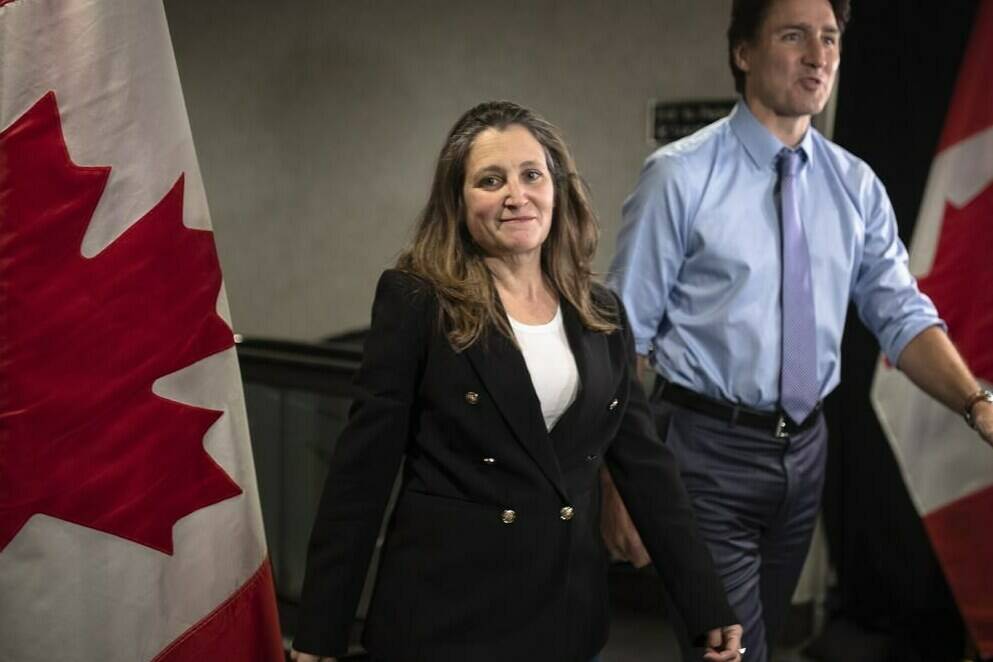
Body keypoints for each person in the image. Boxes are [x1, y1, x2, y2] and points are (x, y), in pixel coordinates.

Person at [604, 1, 993, 661]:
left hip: (804, 454)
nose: (819, 56)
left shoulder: (855, 186)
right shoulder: (679, 176)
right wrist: (617, 486)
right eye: (793, 36)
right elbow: (621, 341)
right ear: (743, 52)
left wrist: (975, 403)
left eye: (830, 38)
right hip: (701, 456)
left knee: (758, 643)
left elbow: (901, 315)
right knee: (730, 653)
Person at [289, 101, 744, 662]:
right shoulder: (417, 301)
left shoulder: (602, 314)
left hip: (567, 616)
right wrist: (319, 636)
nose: (516, 195)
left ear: (558, 188)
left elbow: (648, 471)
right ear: (457, 201)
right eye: (490, 180)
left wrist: (706, 604)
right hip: (445, 618)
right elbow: (359, 480)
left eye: (532, 174)